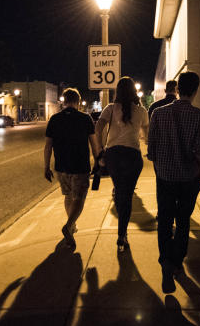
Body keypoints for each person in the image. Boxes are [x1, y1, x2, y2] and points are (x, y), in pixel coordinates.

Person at [147, 71, 200, 293]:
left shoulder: (158, 114)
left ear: (178, 88)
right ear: (195, 90)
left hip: (164, 177)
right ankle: (176, 262)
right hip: (188, 178)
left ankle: (165, 262)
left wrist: (161, 164)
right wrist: (197, 170)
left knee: (164, 221)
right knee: (183, 222)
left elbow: (151, 151)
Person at [95, 76, 149, 252]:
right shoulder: (141, 111)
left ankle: (122, 233)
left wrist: (99, 150)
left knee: (120, 192)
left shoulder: (110, 109)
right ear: (134, 91)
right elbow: (147, 135)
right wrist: (147, 144)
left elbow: (98, 128)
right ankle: (122, 234)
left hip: (114, 155)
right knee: (126, 195)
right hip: (132, 155)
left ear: (117, 91)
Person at [44, 88, 101, 247]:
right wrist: (97, 161)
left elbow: (48, 145)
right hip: (80, 165)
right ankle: (69, 226)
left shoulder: (54, 119)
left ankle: (72, 225)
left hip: (61, 166)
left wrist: (46, 167)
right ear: (77, 101)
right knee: (79, 197)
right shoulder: (85, 118)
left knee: (68, 195)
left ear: (64, 101)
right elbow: (94, 143)